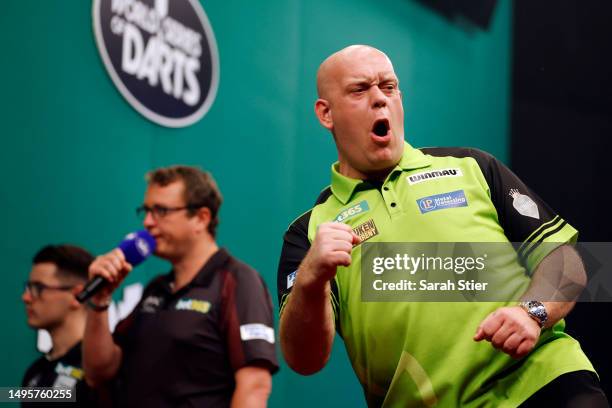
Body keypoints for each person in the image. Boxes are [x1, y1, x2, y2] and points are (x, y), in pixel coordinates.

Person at [277, 45, 609, 407]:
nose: (379, 100)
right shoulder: (308, 232)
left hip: (542, 380)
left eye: (388, 87)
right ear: (326, 113)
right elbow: (304, 360)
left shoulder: (471, 166)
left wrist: (533, 312)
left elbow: (568, 258)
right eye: (359, 90)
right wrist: (311, 278)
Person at [83, 165, 278, 408]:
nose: (147, 222)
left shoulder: (237, 280)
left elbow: (255, 386)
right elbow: (98, 372)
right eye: (146, 211)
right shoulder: (157, 288)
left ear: (201, 218)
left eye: (161, 211)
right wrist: (99, 301)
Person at [22, 244, 99, 407]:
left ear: (77, 295)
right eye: (28, 287)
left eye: (38, 288)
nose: (26, 297)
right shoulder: (34, 374)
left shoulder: (100, 369)